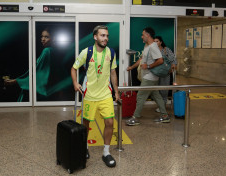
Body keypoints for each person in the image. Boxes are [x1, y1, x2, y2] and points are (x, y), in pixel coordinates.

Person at [71, 25, 119, 168]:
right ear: (95, 37)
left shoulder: (111, 52)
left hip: (105, 95)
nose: (106, 38)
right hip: (90, 95)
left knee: (110, 123)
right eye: (103, 35)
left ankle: (106, 152)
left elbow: (113, 73)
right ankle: (85, 147)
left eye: (107, 36)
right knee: (86, 124)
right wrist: (75, 83)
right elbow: (74, 68)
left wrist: (116, 91)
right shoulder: (87, 52)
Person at [126, 27, 170, 126]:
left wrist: (148, 66)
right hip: (151, 77)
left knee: (140, 96)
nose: (141, 36)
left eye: (143, 34)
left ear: (147, 35)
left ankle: (135, 118)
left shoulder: (153, 46)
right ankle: (165, 116)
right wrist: (132, 67)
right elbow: (142, 59)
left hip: (150, 77)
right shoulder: (147, 46)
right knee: (156, 96)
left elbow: (160, 60)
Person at [4, 28, 54, 101]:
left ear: (53, 38)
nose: (43, 39)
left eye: (46, 37)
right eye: (42, 36)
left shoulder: (47, 51)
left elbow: (37, 73)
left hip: (41, 91)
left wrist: (15, 81)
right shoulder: (53, 51)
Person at [154, 36, 177, 112]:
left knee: (164, 90)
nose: (155, 43)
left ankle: (162, 106)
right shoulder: (153, 51)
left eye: (157, 41)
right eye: (154, 41)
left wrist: (173, 66)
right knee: (157, 90)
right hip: (156, 73)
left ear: (160, 42)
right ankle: (160, 105)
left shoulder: (166, 50)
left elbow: (173, 59)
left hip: (165, 73)